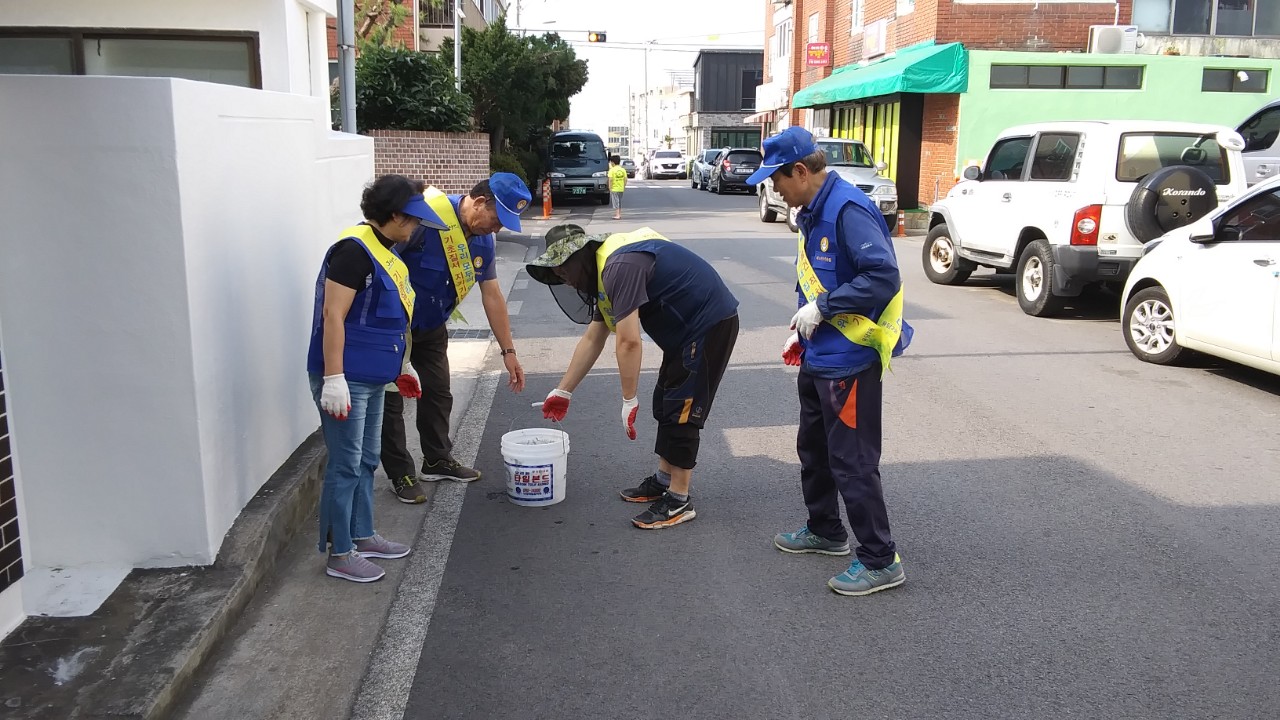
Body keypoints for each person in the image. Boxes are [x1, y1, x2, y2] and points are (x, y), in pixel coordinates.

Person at [746, 126, 914, 597]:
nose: (773, 187)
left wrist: (825, 308)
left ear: (801, 171)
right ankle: (825, 529)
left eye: (776, 178)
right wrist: (804, 323)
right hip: (820, 354)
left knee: (853, 461)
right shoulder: (812, 210)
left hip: (849, 360)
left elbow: (881, 276)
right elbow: (818, 277)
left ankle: (880, 559)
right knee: (814, 450)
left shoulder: (847, 209)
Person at [525, 224, 739, 529]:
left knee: (682, 409)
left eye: (564, 271)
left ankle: (679, 500)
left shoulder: (618, 268)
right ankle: (665, 480)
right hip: (685, 329)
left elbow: (628, 341)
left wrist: (628, 398)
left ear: (582, 256)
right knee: (665, 401)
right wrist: (564, 390)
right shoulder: (604, 273)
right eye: (558, 276)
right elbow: (593, 338)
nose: (567, 281)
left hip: (709, 321)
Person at [306, 174, 447, 583]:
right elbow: (333, 315)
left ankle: (363, 534)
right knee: (346, 464)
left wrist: (402, 365)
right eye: (413, 219)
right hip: (345, 379)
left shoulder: (384, 250)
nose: (417, 227)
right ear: (395, 215)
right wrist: (333, 377)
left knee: (367, 460)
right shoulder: (354, 251)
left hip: (373, 376)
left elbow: (391, 316)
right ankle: (341, 552)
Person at [379, 173, 531, 503]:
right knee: (391, 400)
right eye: (496, 219)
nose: (497, 229)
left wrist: (508, 350)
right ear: (479, 202)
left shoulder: (482, 241)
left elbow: (492, 294)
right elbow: (380, 262)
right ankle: (399, 472)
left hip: (431, 327)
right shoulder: (424, 220)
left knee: (438, 390)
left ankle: (436, 459)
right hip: (391, 328)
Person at [607, 154, 627, 220]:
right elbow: (625, 179)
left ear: (612, 162)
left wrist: (609, 187)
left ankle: (617, 215)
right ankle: (619, 214)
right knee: (619, 201)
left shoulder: (612, 170)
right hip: (621, 188)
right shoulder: (623, 170)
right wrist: (624, 186)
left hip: (614, 188)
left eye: (610, 162)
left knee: (615, 202)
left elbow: (610, 180)